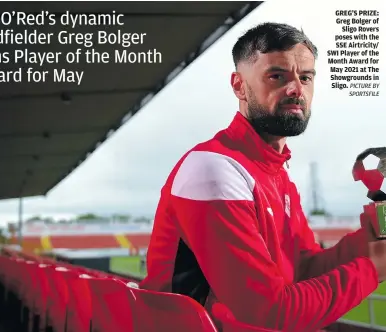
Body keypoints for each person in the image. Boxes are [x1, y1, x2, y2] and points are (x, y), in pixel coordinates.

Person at [139, 22, 386, 331]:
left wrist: (373, 236)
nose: (297, 89)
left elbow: (306, 269)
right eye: (277, 76)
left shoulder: (276, 171)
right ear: (239, 86)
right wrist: (372, 268)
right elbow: (268, 315)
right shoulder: (213, 168)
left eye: (306, 77)